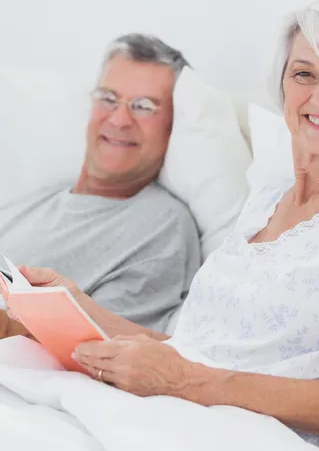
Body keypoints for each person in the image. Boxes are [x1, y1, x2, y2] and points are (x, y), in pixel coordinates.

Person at [7, 0, 319, 448]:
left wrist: (186, 384)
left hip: (237, 441)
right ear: (284, 86)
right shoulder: (267, 201)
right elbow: (190, 350)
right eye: (304, 74)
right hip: (172, 414)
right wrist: (77, 305)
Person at [0, 34, 200, 334]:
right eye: (108, 98)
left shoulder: (162, 225)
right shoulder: (38, 199)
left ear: (173, 124)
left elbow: (105, 352)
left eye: (143, 106)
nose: (119, 119)